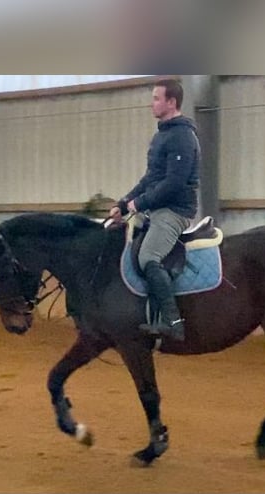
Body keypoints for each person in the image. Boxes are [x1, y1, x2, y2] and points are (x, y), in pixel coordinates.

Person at [109, 78, 200, 342]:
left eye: (156, 99)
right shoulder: (163, 134)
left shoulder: (182, 136)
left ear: (171, 102)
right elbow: (150, 178)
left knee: (149, 257)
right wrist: (124, 203)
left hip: (175, 210)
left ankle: (173, 321)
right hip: (157, 208)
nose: (152, 104)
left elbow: (174, 183)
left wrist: (139, 204)